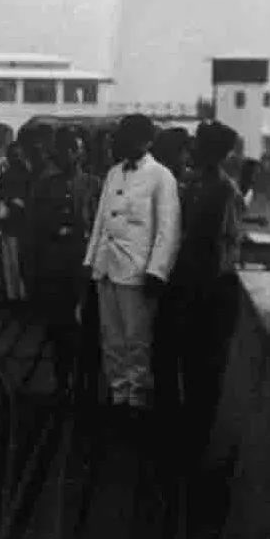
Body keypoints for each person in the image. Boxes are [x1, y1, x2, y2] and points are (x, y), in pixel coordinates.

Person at [84, 114, 183, 419]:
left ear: (146, 141)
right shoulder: (114, 173)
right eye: (120, 137)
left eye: (128, 137)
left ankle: (137, 400)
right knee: (111, 338)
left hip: (137, 271)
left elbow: (169, 228)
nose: (120, 142)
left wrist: (158, 270)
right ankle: (118, 395)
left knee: (137, 340)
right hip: (106, 267)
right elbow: (101, 220)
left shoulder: (161, 177)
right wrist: (90, 262)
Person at [158, 122, 242, 469]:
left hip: (209, 292)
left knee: (203, 372)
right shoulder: (196, 185)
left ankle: (196, 445)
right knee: (187, 366)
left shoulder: (225, 191)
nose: (193, 149)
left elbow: (224, 251)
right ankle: (185, 439)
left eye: (200, 145)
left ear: (214, 152)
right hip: (188, 286)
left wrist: (199, 291)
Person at [23, 128, 101, 405]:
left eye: (74, 148)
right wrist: (32, 271)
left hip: (85, 267)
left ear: (81, 152)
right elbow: (32, 231)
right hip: (54, 266)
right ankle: (62, 381)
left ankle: (85, 384)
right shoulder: (45, 187)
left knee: (86, 328)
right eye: (64, 148)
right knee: (58, 328)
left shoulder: (95, 185)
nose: (69, 154)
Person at [0, 140, 33, 313]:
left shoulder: (28, 176)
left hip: (22, 224)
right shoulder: (4, 177)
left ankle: (21, 296)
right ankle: (13, 296)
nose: (15, 158)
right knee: (9, 262)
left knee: (19, 262)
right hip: (8, 224)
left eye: (18, 155)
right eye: (13, 155)